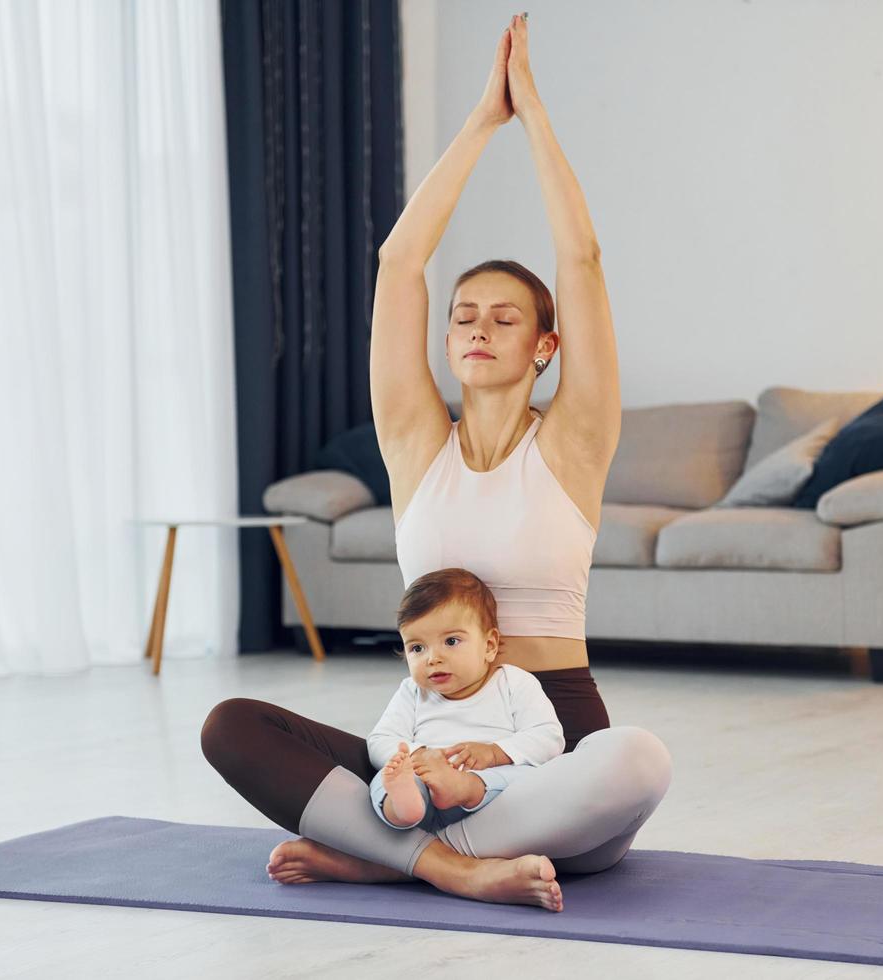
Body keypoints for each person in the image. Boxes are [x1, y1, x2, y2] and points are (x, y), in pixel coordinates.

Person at [201, 13, 671, 913]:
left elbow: (583, 258)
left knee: (636, 763)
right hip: (423, 742)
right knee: (233, 726)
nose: (479, 328)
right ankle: (453, 866)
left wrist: (530, 114)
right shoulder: (415, 442)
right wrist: (478, 122)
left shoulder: (572, 442)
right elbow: (398, 262)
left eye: (505, 317)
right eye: (465, 316)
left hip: (551, 729)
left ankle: (383, 856)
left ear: (545, 347)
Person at [370, 569, 564, 836]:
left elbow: (548, 737)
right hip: (426, 786)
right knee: (386, 778)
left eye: (451, 641)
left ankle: (464, 788)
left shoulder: (514, 683)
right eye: (417, 648)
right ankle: (403, 806)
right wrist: (417, 755)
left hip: (492, 794)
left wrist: (495, 753)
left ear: (489, 645)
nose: (432, 658)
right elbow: (380, 739)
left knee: (528, 778)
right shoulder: (412, 691)